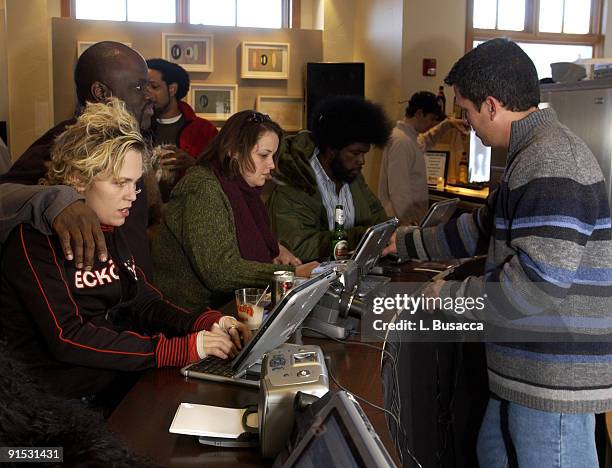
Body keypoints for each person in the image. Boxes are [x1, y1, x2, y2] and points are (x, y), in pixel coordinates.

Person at [385, 38, 612, 466]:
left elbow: (535, 286)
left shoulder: (551, 161)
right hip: (522, 370)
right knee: (491, 451)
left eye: (466, 111)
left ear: (491, 106)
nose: (465, 123)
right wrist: (409, 243)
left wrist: (449, 297)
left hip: (551, 381)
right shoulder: (530, 155)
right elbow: (483, 228)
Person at [0, 99, 251, 403]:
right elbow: (68, 337)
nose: (132, 196)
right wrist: (176, 349)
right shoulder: (33, 240)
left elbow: (142, 300)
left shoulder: (108, 227)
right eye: (120, 183)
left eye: (135, 184)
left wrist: (204, 323)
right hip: (55, 403)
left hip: (112, 384)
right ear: (78, 180)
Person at [0, 41, 155, 274]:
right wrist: (57, 199)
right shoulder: (67, 144)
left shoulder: (129, 146)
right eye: (138, 87)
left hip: (138, 297)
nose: (149, 96)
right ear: (101, 93)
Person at [152, 110, 317, 311]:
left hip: (222, 310)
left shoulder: (239, 189)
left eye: (273, 156)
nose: (272, 165)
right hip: (193, 318)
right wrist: (291, 273)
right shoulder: (202, 188)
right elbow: (219, 271)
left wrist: (275, 248)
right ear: (233, 150)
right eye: (264, 155)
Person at [267, 95, 393, 262]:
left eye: (364, 153)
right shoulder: (295, 183)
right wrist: (361, 237)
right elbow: (297, 246)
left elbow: (379, 220)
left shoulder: (353, 178)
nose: (361, 161)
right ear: (332, 148)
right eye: (355, 153)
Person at [378, 91, 467, 225]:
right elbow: (399, 191)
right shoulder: (401, 141)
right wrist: (409, 223)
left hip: (409, 222)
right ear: (419, 114)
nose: (432, 124)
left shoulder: (409, 137)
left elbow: (427, 140)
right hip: (401, 224)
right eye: (431, 118)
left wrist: (448, 124)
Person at [146, 58, 218, 201]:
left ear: (172, 89)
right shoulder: (137, 127)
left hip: (188, 212)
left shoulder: (204, 130)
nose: (147, 94)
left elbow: (222, 175)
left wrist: (193, 164)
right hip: (144, 215)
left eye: (154, 87)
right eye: (143, 87)